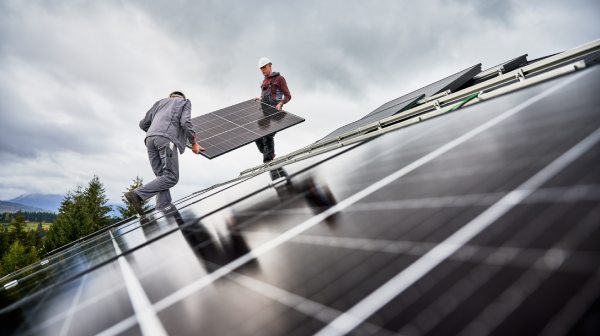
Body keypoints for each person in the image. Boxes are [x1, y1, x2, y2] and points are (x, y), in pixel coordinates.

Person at [125, 91, 204, 215]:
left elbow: (143, 124)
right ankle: (137, 194)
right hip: (166, 140)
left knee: (162, 177)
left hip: (149, 139)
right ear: (182, 97)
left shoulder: (160, 102)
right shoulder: (184, 102)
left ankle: (163, 209)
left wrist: (156, 131)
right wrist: (193, 143)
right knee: (171, 177)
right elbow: (185, 122)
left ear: (170, 97)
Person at [255, 57, 292, 163]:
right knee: (255, 135)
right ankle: (269, 154)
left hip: (275, 113)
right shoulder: (264, 81)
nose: (263, 70)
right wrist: (260, 99)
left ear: (270, 66)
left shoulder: (280, 78)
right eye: (261, 68)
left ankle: (268, 159)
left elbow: (288, 96)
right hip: (265, 112)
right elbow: (266, 96)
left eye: (264, 67)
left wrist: (281, 103)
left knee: (267, 136)